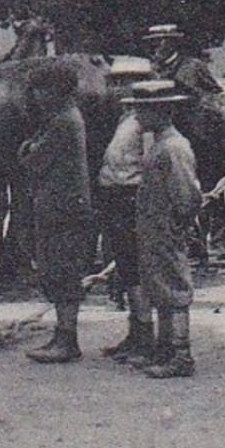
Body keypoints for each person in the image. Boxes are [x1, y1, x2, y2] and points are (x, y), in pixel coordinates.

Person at [119, 80, 203, 379]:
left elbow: (186, 194)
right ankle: (165, 348)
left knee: (174, 287)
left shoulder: (173, 148)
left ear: (160, 112)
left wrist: (179, 222)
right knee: (159, 286)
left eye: (143, 110)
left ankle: (181, 354)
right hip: (154, 227)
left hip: (166, 227)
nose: (137, 117)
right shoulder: (160, 145)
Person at [17, 62, 96, 363]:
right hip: (60, 207)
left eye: (41, 89)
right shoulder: (60, 119)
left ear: (55, 91)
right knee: (58, 272)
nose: (36, 96)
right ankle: (62, 336)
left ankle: (67, 339)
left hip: (63, 209)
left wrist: (28, 150)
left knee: (63, 274)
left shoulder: (63, 121)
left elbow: (33, 160)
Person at [97, 56, 156, 361]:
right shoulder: (126, 118)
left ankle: (146, 337)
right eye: (116, 81)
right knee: (126, 270)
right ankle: (136, 333)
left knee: (136, 272)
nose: (118, 88)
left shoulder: (144, 123)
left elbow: (150, 165)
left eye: (125, 82)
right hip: (117, 198)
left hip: (131, 198)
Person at [143, 23, 223, 99]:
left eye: (158, 41)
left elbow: (216, 94)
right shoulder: (149, 70)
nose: (154, 46)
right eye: (151, 42)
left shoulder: (193, 67)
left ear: (172, 43)